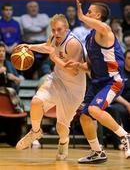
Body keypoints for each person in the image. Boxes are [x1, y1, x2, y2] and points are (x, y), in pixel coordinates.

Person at [65, 0, 130, 163]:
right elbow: (90, 65)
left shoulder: (105, 31)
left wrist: (79, 15)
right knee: (85, 117)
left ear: (98, 15)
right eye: (85, 12)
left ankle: (125, 135)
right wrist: (78, 65)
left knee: (94, 109)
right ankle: (97, 152)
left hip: (112, 81)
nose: (86, 14)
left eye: (89, 12)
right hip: (97, 82)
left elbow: (100, 25)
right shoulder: (90, 37)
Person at [16, 14, 86, 160]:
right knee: (36, 102)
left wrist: (54, 58)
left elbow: (73, 71)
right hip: (57, 80)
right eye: (53, 30)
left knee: (62, 127)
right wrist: (30, 47)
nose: (55, 33)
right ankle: (35, 131)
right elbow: (48, 47)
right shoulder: (54, 37)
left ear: (66, 29)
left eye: (59, 29)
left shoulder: (74, 44)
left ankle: (63, 142)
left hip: (74, 89)